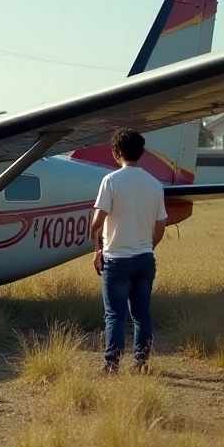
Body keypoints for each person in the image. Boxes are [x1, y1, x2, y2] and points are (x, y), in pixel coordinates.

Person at [90, 128, 167, 373]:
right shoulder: (154, 184)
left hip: (116, 259)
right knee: (142, 314)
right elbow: (161, 225)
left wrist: (97, 250)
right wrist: (148, 246)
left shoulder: (111, 181)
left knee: (114, 315)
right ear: (141, 152)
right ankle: (141, 362)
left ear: (117, 152)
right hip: (144, 258)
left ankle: (112, 364)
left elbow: (96, 223)